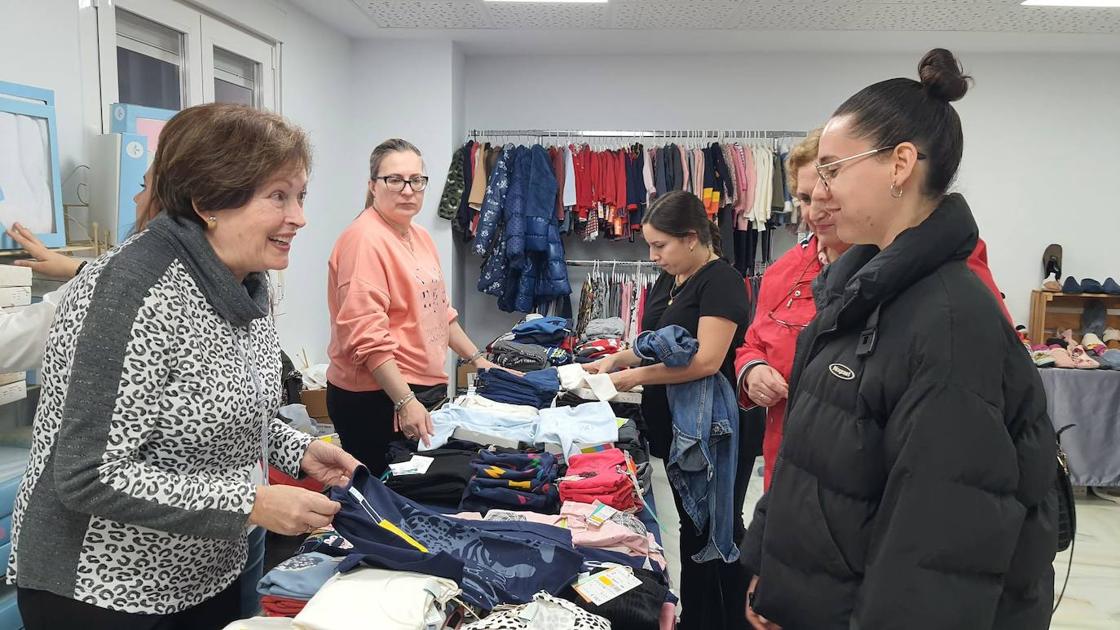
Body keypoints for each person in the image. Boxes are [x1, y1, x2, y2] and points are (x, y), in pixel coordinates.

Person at [7, 103, 361, 630]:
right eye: (278, 196)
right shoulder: (130, 295)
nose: (300, 217)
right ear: (208, 202)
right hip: (106, 592)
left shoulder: (244, 285)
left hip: (204, 572)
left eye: (300, 195)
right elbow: (88, 474)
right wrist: (252, 503)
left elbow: (237, 409)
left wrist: (300, 450)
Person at [742, 49, 1056, 630]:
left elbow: (937, 545)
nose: (821, 192)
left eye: (833, 170)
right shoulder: (856, 292)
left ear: (900, 164)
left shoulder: (951, 321)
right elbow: (808, 457)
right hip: (818, 599)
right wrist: (769, 563)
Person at [735, 130, 1012, 491]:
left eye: (829, 190)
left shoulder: (933, 269)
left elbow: (991, 376)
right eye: (803, 197)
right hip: (788, 470)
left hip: (880, 484)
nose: (816, 208)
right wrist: (752, 370)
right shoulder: (783, 272)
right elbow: (753, 343)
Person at [586, 190, 752, 630]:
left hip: (716, 429)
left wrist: (633, 379)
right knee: (691, 524)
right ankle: (699, 617)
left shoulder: (721, 281)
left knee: (716, 528)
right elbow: (656, 345)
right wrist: (615, 360)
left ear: (692, 238)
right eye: (651, 246)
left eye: (661, 246)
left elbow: (706, 361)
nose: (653, 255)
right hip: (680, 427)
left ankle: (731, 619)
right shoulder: (671, 279)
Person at [326, 138, 501, 475]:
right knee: (385, 500)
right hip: (377, 398)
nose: (408, 190)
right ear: (372, 186)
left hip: (418, 392)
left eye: (416, 180)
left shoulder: (418, 235)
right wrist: (405, 401)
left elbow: (439, 313)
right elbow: (368, 338)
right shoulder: (363, 240)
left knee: (418, 492)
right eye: (395, 179)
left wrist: (480, 361)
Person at [1, 171, 157, 371]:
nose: (135, 198)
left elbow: (5, 345)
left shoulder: (109, 285)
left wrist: (96, 277)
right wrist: (82, 269)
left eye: (143, 187)